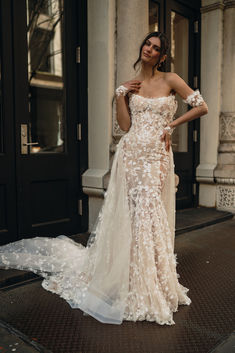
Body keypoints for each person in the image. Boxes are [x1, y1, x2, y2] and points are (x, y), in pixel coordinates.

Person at [0, 31, 208, 325]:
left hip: (157, 157)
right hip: (132, 154)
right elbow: (125, 127)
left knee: (151, 213)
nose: (149, 49)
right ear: (142, 47)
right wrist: (119, 95)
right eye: (147, 44)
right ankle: (132, 281)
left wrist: (171, 125)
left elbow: (202, 106)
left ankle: (153, 283)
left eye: (156, 48)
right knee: (134, 215)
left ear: (162, 55)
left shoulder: (171, 79)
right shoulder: (132, 85)